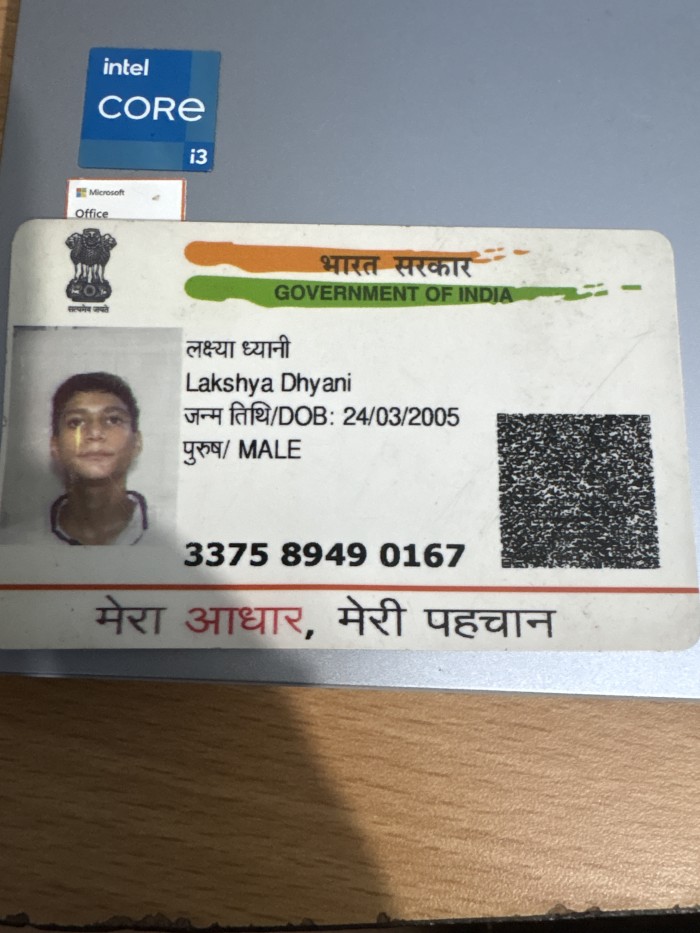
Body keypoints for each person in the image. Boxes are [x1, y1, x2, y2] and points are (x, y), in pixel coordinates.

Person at [48, 372, 148, 545]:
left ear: (137, 443)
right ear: (55, 446)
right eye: (76, 422)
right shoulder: (16, 542)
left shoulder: (176, 537)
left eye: (113, 420)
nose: (95, 433)